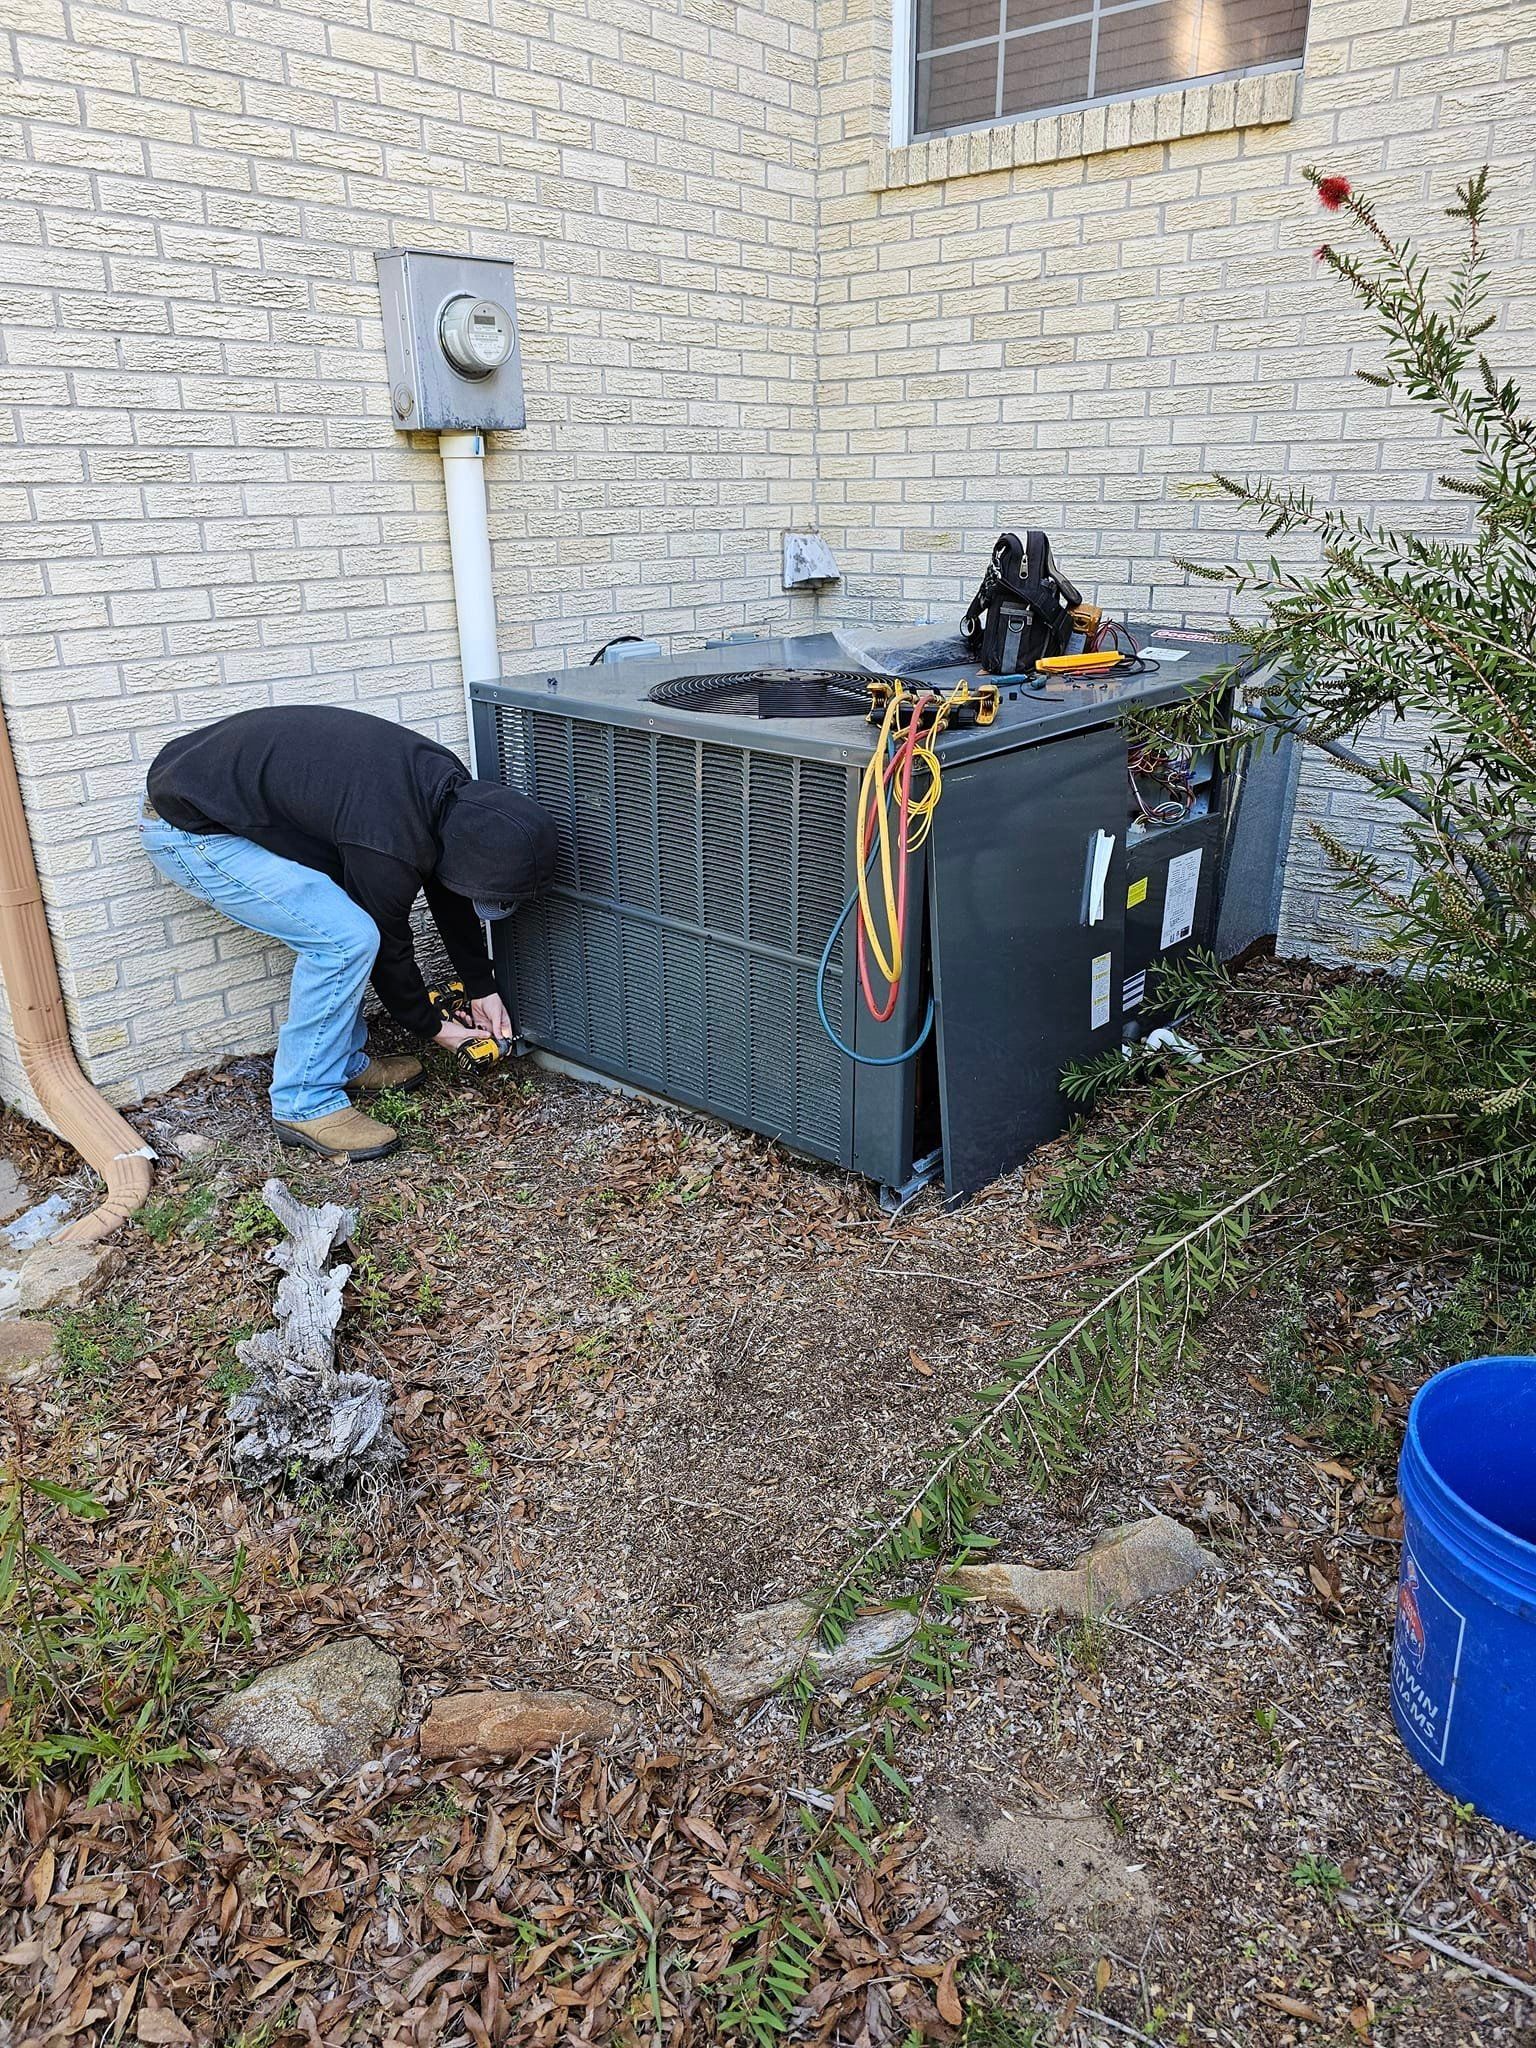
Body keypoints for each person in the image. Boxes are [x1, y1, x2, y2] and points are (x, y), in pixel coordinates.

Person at [142, 704, 556, 1161]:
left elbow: (449, 888)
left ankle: (341, 1061)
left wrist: (482, 986)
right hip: (189, 828)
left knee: (347, 925)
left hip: (210, 789)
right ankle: (305, 1101)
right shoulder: (389, 838)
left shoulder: (451, 792)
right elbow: (388, 947)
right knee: (346, 940)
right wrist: (433, 1027)